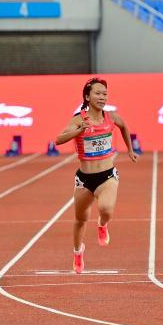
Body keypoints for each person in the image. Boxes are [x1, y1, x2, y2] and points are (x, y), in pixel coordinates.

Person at [55, 77, 138, 274]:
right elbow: (58, 140)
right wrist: (78, 131)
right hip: (84, 179)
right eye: (98, 93)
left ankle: (102, 224)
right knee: (80, 219)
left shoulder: (111, 117)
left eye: (105, 94)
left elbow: (125, 126)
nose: (102, 97)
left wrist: (130, 149)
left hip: (107, 175)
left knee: (106, 209)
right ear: (87, 96)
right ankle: (78, 252)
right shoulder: (78, 119)